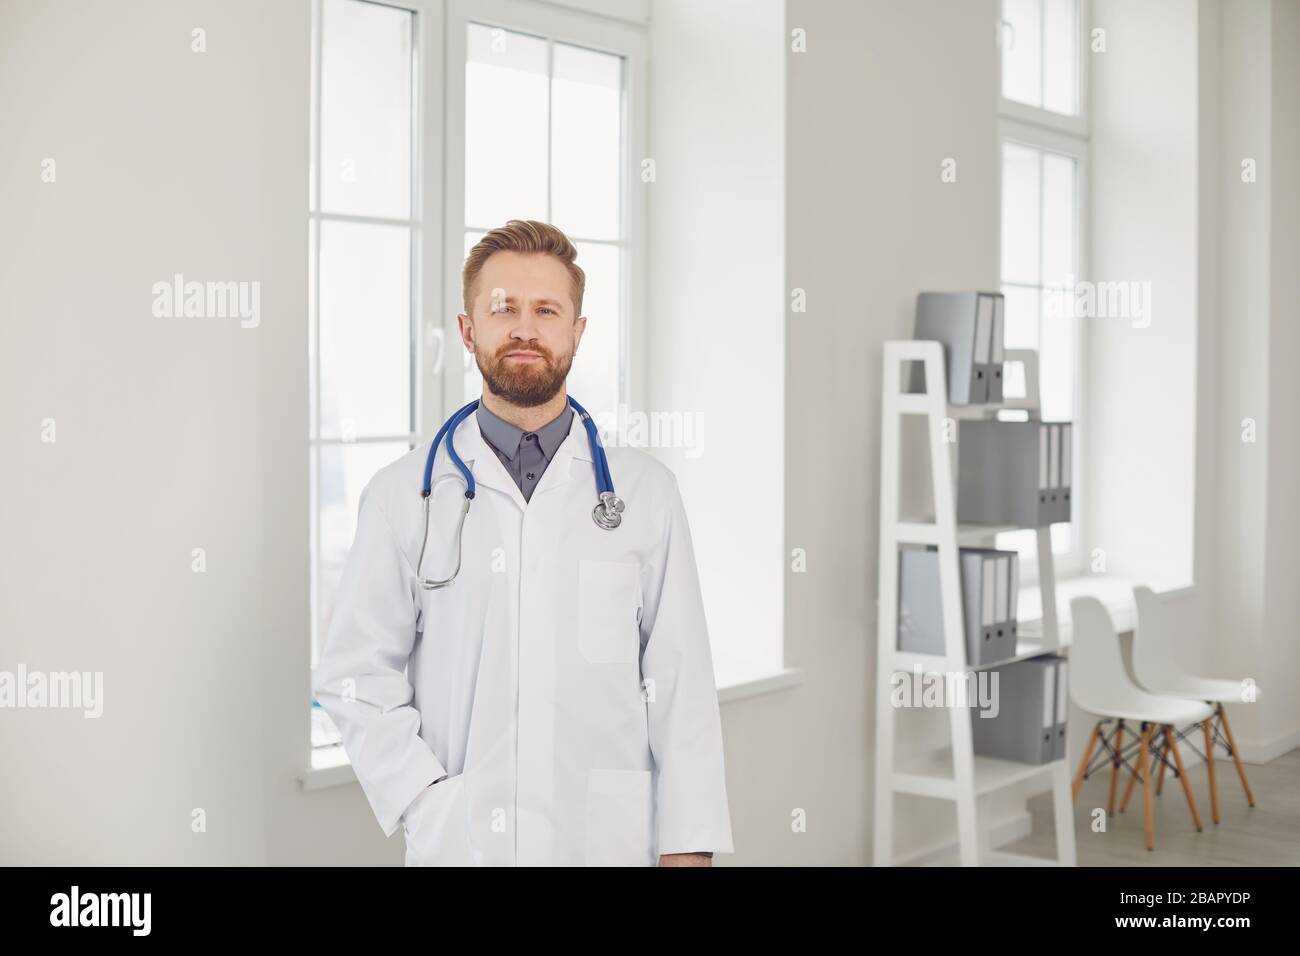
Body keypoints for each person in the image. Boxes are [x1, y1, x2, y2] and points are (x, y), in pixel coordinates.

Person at [313, 219, 733, 866]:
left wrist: (689, 845)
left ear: (577, 332)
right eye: (503, 308)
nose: (525, 329)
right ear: (467, 329)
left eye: (547, 310)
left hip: (608, 842)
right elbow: (355, 676)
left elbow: (679, 682)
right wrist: (426, 799)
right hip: (465, 843)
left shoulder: (646, 493)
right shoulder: (403, 495)